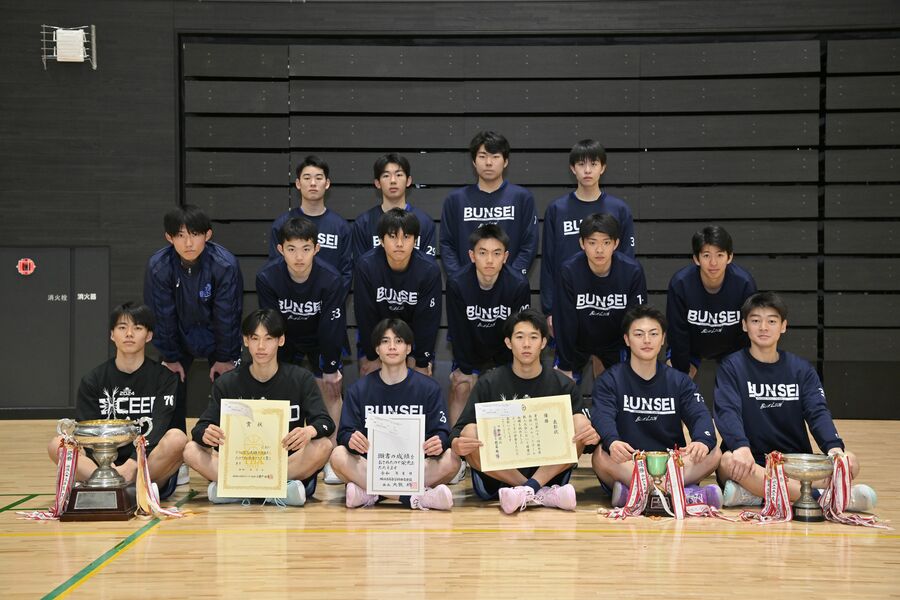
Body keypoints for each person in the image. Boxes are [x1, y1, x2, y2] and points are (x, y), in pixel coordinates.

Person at [714, 292, 876, 511]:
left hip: (794, 463)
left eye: (772, 321)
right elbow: (727, 411)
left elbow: (817, 412)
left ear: (783, 326)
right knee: (727, 462)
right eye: (756, 320)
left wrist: (833, 447)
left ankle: (755, 494)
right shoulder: (731, 367)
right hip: (751, 461)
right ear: (744, 325)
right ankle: (828, 498)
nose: (763, 327)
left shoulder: (801, 369)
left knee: (850, 462)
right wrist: (741, 447)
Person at [450, 309, 600, 514]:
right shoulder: (489, 383)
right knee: (469, 432)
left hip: (548, 474)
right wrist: (456, 443)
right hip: (498, 476)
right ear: (508, 342)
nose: (526, 344)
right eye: (519, 337)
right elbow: (458, 430)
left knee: (581, 422)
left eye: (534, 337)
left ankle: (530, 488)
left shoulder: (563, 385)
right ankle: (534, 491)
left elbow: (588, 441)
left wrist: (592, 436)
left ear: (544, 342)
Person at [183, 309, 334, 506]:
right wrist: (206, 433)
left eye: (268, 338)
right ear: (246, 340)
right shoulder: (227, 383)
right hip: (241, 464)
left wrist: (309, 431)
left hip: (285, 463)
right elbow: (200, 428)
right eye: (255, 338)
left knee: (324, 445)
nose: (261, 346)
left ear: (281, 340)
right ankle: (277, 491)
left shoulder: (300, 378)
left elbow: (325, 422)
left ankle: (238, 490)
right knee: (190, 450)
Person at [47, 303, 186, 499]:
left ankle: (118, 488)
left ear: (148, 335)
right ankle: (111, 485)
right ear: (112, 334)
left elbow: (160, 427)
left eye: (137, 328)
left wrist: (132, 464)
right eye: (122, 327)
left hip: (146, 464)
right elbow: (87, 433)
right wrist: (108, 467)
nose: (129, 334)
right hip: (102, 463)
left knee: (177, 439)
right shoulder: (93, 380)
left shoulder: (165, 379)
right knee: (58, 444)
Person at [591, 305, 722, 508]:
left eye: (653, 334)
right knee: (600, 455)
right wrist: (613, 441)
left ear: (662, 339)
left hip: (672, 463)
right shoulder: (610, 380)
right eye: (639, 334)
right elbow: (602, 415)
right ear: (627, 339)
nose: (646, 340)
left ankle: (635, 494)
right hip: (629, 463)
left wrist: (702, 441)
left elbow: (699, 415)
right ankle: (682, 495)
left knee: (714, 453)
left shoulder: (679, 381)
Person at [330, 318, 459, 510]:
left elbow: (442, 432)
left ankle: (371, 493)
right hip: (372, 466)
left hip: (416, 466)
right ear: (377, 349)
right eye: (385, 341)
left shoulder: (429, 388)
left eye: (398, 341)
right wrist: (351, 440)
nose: (392, 347)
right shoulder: (358, 389)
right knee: (338, 455)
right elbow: (344, 433)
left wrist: (439, 442)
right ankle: (415, 498)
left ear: (408, 348)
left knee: (452, 459)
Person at [257, 216, 348, 483]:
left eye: (306, 249)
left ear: (316, 249)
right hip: (284, 337)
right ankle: (274, 453)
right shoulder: (267, 277)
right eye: (292, 249)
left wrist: (330, 368)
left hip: (321, 336)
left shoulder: (331, 278)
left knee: (331, 388)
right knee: (275, 388)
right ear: (280, 249)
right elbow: (270, 324)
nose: (299, 257)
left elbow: (332, 325)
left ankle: (332, 459)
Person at [143, 204, 243, 438]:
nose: (188, 243)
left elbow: (228, 315)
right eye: (180, 235)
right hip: (177, 336)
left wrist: (224, 357)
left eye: (195, 234)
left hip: (218, 337)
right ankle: (174, 448)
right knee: (169, 383)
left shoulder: (225, 264)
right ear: (169, 238)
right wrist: (171, 357)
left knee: (230, 385)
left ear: (208, 235)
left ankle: (226, 447)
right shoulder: (159, 267)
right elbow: (161, 315)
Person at [541, 139, 635, 331]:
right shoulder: (557, 209)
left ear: (603, 168)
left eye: (593, 164)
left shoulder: (619, 209)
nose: (587, 170)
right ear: (572, 168)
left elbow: (627, 260)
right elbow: (548, 262)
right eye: (581, 164)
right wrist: (550, 309)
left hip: (609, 303)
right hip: (568, 299)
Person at [446, 224, 531, 426]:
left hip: (504, 350)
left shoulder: (518, 284)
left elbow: (519, 331)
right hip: (470, 346)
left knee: (509, 391)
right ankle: (456, 440)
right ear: (472, 255)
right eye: (483, 253)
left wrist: (503, 371)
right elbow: (458, 331)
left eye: (496, 253)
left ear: (505, 256)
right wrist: (466, 369)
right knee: (461, 384)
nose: (490, 260)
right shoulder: (457, 283)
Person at [553, 213, 647, 384]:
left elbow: (637, 320)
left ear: (616, 243)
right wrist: (565, 365)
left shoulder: (632, 271)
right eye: (592, 242)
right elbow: (564, 322)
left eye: (606, 242)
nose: (599, 250)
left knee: (623, 390)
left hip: (616, 342)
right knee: (561, 387)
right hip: (578, 342)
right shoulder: (568, 271)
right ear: (582, 243)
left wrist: (634, 360)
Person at [353, 208, 442, 377]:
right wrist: (373, 356)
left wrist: (421, 361)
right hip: (377, 335)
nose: (400, 244)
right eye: (393, 236)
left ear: (415, 241)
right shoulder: (366, 266)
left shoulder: (429, 270)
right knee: (372, 374)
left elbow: (428, 321)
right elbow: (365, 316)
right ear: (381, 240)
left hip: (415, 339)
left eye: (406, 237)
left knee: (419, 377)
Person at [439, 130, 538, 279]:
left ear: (505, 161)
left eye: (495, 156)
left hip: (510, 285)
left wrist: (513, 278)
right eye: (482, 156)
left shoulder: (522, 198)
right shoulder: (455, 200)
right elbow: (447, 244)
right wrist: (459, 279)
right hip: (465, 285)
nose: (488, 163)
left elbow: (529, 243)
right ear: (474, 161)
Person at [666, 225, 757, 379]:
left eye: (720, 255)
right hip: (691, 346)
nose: (713, 263)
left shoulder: (744, 283)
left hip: (732, 347)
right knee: (675, 380)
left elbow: (748, 332)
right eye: (706, 255)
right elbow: (677, 332)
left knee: (740, 382)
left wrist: (739, 366)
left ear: (729, 257)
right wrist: (682, 372)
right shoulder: (680, 283)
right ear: (696, 259)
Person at [268, 155, 353, 291]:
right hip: (291, 300)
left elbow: (346, 273)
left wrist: (333, 299)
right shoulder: (281, 224)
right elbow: (275, 268)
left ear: (327, 183)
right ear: (298, 183)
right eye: (307, 178)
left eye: (318, 178)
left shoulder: (341, 227)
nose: (313, 183)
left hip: (330, 300)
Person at [351, 153, 437, 260]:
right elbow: (360, 265)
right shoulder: (363, 223)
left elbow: (428, 266)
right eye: (386, 176)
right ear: (377, 183)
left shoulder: (424, 222)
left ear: (408, 181)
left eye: (399, 175)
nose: (393, 181)